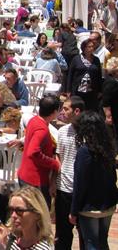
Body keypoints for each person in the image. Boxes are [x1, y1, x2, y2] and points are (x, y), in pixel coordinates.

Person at [70, 112, 118, 250]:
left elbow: (80, 183)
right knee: (103, 242)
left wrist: (73, 211)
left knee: (91, 243)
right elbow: (112, 177)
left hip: (90, 207)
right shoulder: (108, 148)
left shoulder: (84, 152)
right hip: (108, 204)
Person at [17, 95, 60, 206]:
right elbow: (33, 152)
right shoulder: (42, 129)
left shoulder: (33, 120)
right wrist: (54, 163)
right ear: (54, 112)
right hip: (35, 181)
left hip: (25, 175)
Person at [55, 96, 85, 250]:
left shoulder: (88, 133)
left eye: (66, 109)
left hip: (82, 191)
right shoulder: (62, 131)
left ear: (77, 111)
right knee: (62, 235)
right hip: (63, 190)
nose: (62, 112)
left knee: (85, 236)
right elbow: (58, 156)